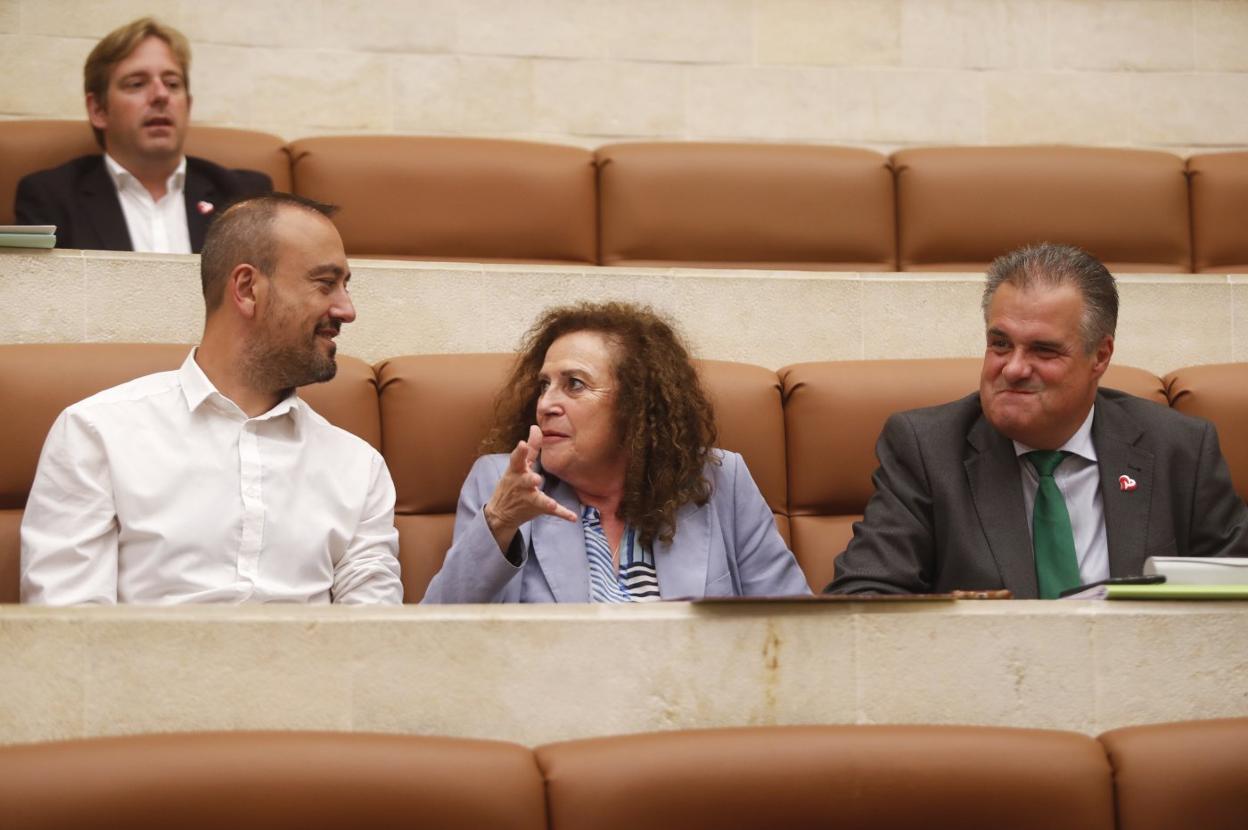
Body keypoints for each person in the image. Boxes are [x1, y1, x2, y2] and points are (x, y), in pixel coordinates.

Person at [20, 193, 402, 604]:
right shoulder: (96, 433)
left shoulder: (360, 467)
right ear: (246, 288)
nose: (347, 310)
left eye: (344, 287)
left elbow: (374, 635)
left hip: (314, 668)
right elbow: (67, 628)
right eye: (326, 284)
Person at [826, 242, 1248, 598]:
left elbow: (1235, 596)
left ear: (1100, 356)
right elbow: (864, 601)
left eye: (1043, 350)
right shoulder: (926, 447)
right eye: (1000, 344)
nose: (1013, 368)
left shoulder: (1179, 448)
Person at [423, 302, 811, 602]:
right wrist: (500, 522)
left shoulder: (721, 480)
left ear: (635, 406)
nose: (545, 404)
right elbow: (438, 635)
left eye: (574, 384)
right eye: (544, 386)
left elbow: (795, 628)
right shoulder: (504, 483)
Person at [14, 17, 270, 253]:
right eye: (137, 84)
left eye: (172, 84)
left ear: (188, 106)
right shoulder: (52, 197)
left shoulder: (244, 197)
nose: (161, 95)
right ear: (98, 110)